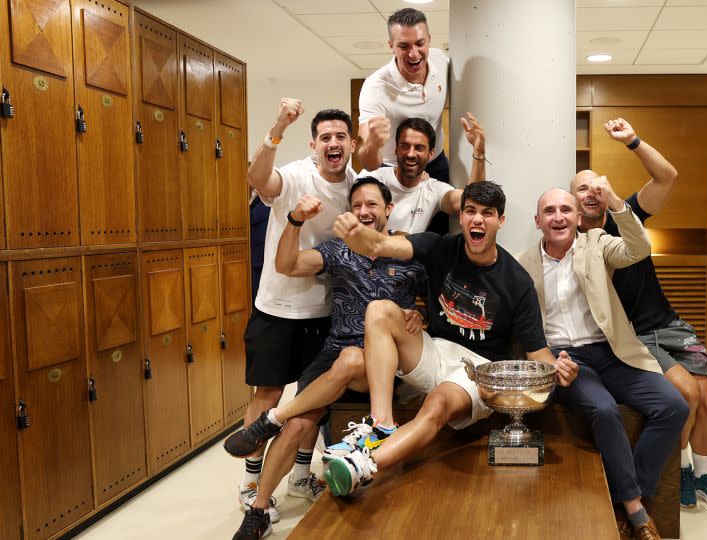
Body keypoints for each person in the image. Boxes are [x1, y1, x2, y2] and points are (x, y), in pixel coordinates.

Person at [321, 182, 579, 496]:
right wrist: (353, 234)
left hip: (479, 370)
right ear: (461, 216)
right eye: (470, 211)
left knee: (438, 403)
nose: (478, 220)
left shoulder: (517, 282)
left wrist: (560, 370)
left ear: (501, 221)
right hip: (435, 350)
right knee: (379, 310)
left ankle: (364, 467)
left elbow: (538, 353)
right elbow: (377, 245)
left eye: (488, 213)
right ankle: (381, 422)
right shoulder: (440, 246)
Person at [226, 178, 427, 540]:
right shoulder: (338, 249)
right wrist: (295, 220)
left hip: (383, 361)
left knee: (352, 358)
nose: (365, 212)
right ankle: (258, 511)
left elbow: (435, 305)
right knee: (301, 423)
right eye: (358, 206)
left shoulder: (407, 250)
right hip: (334, 351)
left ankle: (270, 419)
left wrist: (419, 316)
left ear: (388, 209)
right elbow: (286, 264)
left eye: (372, 205)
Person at [573, 117, 707, 510]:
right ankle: (677, 472)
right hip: (636, 336)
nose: (590, 191)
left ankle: (704, 474)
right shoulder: (573, 241)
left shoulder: (624, 215)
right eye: (582, 187)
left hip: (669, 324)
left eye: (596, 184)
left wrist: (633, 141)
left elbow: (667, 176)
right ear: (572, 198)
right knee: (688, 393)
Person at [518, 183, 687, 540]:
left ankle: (627, 493)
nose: (558, 217)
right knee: (604, 410)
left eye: (566, 210)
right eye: (549, 211)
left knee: (673, 405)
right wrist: (549, 363)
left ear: (579, 218)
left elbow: (639, 248)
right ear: (537, 221)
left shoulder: (596, 244)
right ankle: (637, 512)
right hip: (566, 359)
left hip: (613, 353)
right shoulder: (524, 264)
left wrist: (615, 205)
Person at [238, 99, 356, 521]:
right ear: (314, 144)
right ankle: (252, 479)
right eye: (326, 137)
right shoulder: (295, 175)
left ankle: (301, 475)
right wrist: (277, 126)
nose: (333, 143)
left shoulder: (356, 185)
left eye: (341, 136)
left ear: (351, 144)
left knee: (311, 401)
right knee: (267, 395)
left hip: (325, 312)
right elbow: (257, 178)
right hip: (278, 305)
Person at [358, 7, 462, 234]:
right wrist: (374, 142)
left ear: (429, 40)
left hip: (435, 163)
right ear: (391, 46)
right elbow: (368, 163)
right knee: (397, 243)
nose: (414, 53)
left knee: (444, 235)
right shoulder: (376, 88)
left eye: (420, 43)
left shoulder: (440, 60)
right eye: (404, 46)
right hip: (392, 171)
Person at [363, 115, 485, 234]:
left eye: (419, 148)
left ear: (431, 153)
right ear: (396, 149)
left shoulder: (433, 189)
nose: (410, 154)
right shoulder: (375, 179)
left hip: (410, 253)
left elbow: (471, 200)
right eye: (405, 146)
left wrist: (479, 152)